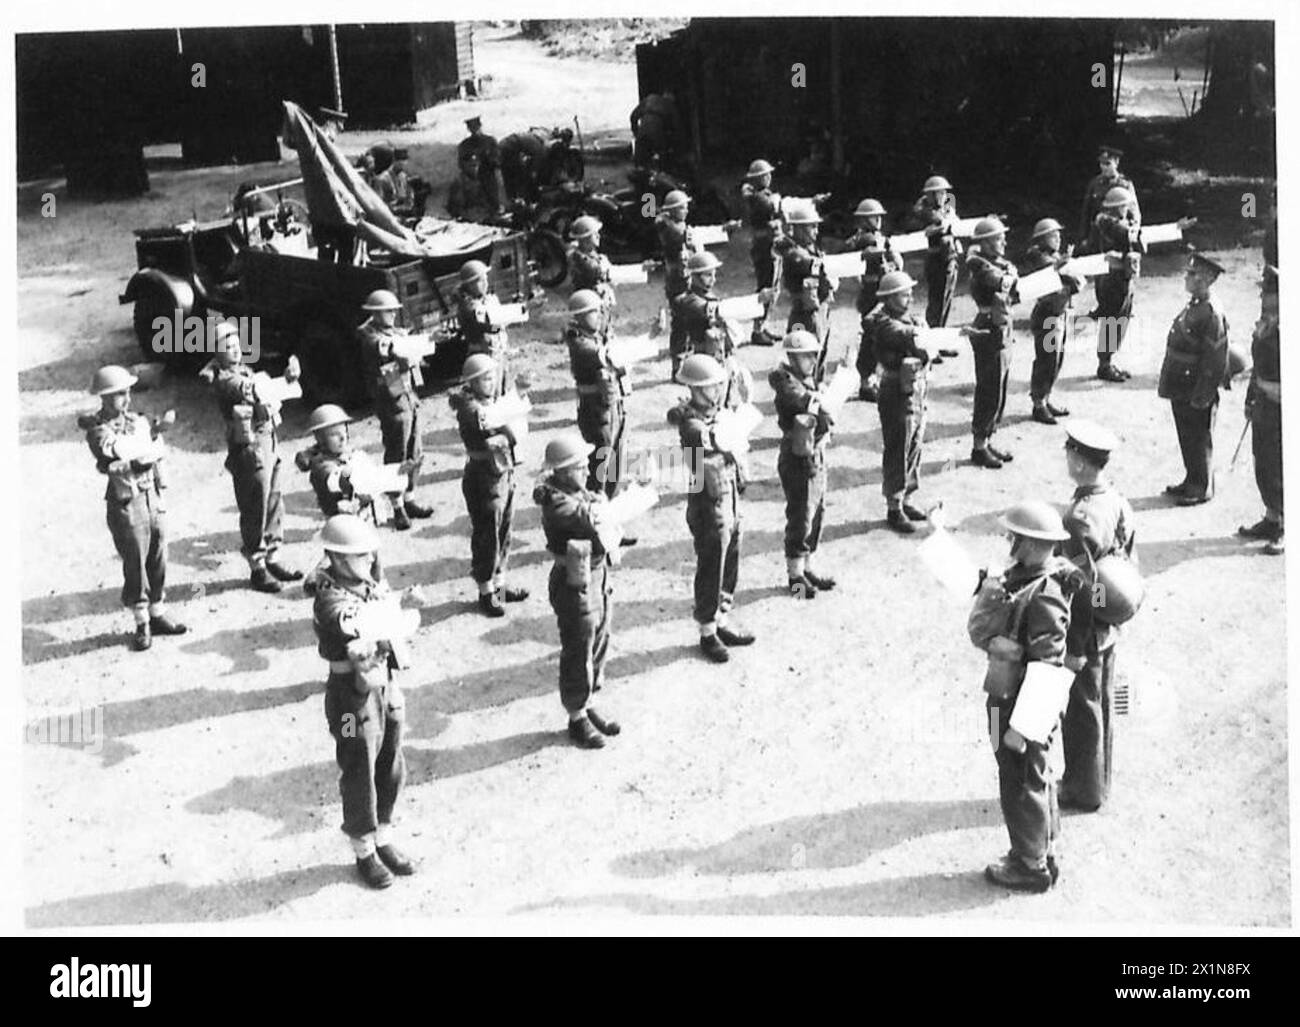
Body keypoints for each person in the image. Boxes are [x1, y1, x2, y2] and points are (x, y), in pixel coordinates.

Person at [976, 501, 1079, 892]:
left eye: (1015, 537)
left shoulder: (1046, 595)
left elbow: (1048, 668)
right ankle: (1039, 851)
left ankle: (1029, 865)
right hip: (1007, 695)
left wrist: (1021, 728)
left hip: (1020, 705)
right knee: (1028, 776)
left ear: (1034, 543)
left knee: (1021, 779)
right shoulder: (1029, 575)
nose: (1010, 542)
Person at [312, 514, 414, 890]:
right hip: (348, 701)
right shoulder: (329, 597)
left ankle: (383, 834)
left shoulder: (365, 582)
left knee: (390, 759)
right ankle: (363, 849)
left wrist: (398, 600)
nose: (370, 561)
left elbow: (378, 604)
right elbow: (348, 620)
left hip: (383, 686)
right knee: (358, 767)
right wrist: (392, 608)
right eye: (361, 556)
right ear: (338, 559)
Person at [1059, 420, 1136, 813]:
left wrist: (1074, 646)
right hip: (1109, 625)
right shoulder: (1116, 499)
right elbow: (1126, 561)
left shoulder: (1080, 518)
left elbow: (1084, 588)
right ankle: (1098, 783)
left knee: (1082, 712)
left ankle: (1084, 790)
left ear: (1081, 461)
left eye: (1070, 451)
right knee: (1102, 706)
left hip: (1087, 630)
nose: (1066, 456)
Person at [82, 365, 187, 651]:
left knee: (158, 553)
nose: (126, 400)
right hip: (126, 499)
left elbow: (153, 450)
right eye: (119, 395)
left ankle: (157, 612)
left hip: (149, 493)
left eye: (127, 393)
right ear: (103, 398)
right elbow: (115, 453)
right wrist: (143, 449)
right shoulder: (98, 430)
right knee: (135, 560)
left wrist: (155, 435)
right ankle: (141, 621)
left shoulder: (135, 421)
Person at [533, 435, 623, 750]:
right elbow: (589, 519)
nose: (587, 471)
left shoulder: (575, 491)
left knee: (601, 633)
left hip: (596, 574)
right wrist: (607, 507)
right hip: (574, 581)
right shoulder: (556, 502)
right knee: (579, 644)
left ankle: (588, 699)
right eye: (579, 467)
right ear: (561, 471)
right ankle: (576, 716)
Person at [668, 354, 756, 663]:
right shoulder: (692, 424)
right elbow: (714, 440)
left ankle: (722, 618)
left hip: (727, 495)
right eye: (710, 387)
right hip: (707, 503)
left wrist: (741, 403)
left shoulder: (714, 414)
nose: (716, 392)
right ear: (693, 389)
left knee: (731, 555)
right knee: (712, 564)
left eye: (718, 386)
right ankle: (707, 630)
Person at [207, 322, 302, 592]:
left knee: (274, 497)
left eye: (237, 345)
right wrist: (280, 382)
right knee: (255, 503)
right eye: (228, 347)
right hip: (249, 445)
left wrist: (286, 378)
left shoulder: (243, 370)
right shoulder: (225, 378)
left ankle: (273, 555)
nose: (235, 350)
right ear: (216, 352)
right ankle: (257, 566)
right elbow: (254, 390)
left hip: (266, 436)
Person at [450, 353, 529, 617]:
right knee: (487, 537)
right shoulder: (470, 409)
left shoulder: (489, 403)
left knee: (505, 529)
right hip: (483, 477)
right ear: (471, 383)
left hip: (501, 472)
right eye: (484, 378)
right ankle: (485, 591)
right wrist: (515, 401)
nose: (491, 382)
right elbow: (494, 419)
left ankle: (500, 584)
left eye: (493, 377)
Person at [355, 289, 433, 529]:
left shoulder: (393, 331)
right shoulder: (369, 336)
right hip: (391, 400)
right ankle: (397, 505)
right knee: (396, 451)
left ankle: (409, 497)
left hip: (407, 395)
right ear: (376, 313)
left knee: (414, 449)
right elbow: (387, 349)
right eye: (388, 311)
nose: (392, 315)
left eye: (393, 311)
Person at [1157, 252, 1230, 506]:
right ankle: (1192, 478)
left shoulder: (1212, 311)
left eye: (1192, 274)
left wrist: (1205, 391)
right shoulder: (1196, 303)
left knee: (1199, 436)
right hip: (1181, 381)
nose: (1186, 277)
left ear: (1207, 278)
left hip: (1195, 383)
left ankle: (1202, 487)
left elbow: (1216, 358)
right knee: (1186, 434)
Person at [864, 270, 933, 533]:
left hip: (915, 387)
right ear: (890, 298)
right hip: (895, 389)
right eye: (905, 294)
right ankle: (894, 506)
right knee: (898, 446)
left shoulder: (906, 318)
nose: (910, 298)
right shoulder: (883, 322)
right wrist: (921, 331)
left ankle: (907, 497)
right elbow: (902, 334)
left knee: (915, 442)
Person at [769, 329, 837, 597]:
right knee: (800, 516)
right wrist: (819, 399)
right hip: (798, 455)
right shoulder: (788, 383)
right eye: (806, 356)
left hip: (815, 451)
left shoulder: (802, 379)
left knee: (816, 512)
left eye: (812, 356)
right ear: (793, 358)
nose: (812, 361)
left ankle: (807, 566)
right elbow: (800, 401)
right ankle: (795, 578)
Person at [566, 290, 631, 514]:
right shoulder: (579, 342)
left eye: (598, 311)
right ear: (579, 316)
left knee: (615, 459)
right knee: (600, 464)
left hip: (611, 403)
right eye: (593, 312)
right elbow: (607, 356)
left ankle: (610, 511)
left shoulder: (595, 334)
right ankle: (595, 519)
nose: (599, 315)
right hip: (595, 409)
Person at [965, 217, 1019, 469]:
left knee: (999, 387)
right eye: (998, 238)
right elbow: (1001, 281)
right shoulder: (980, 266)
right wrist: (1010, 275)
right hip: (989, 328)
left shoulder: (994, 264)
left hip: (1002, 326)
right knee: (989, 388)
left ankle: (987, 439)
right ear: (985, 243)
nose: (1004, 242)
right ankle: (978, 446)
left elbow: (1013, 290)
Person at [1022, 218, 1086, 424]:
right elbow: (1066, 277)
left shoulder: (1055, 257)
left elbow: (1073, 279)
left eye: (1058, 234)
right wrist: (1068, 271)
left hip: (1060, 313)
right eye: (1053, 235)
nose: (1058, 238)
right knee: (1047, 360)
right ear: (1041, 239)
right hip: (1048, 316)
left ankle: (1045, 397)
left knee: (1056, 359)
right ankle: (1038, 403)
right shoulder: (1038, 257)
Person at [1239, 265, 1283, 553]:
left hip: (1281, 405)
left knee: (1283, 465)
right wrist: (1250, 397)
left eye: (1269, 294)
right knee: (1263, 461)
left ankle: (1286, 527)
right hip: (1263, 403)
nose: (1263, 298)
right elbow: (1257, 368)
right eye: (1263, 292)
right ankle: (1271, 516)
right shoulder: (1265, 324)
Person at [845, 197, 905, 399]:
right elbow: (855, 258)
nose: (878, 220)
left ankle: (874, 377)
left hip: (885, 289)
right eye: (873, 217)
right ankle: (865, 381)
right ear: (863, 219)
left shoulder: (880, 238)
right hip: (871, 293)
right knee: (870, 337)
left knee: (883, 333)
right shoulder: (861, 240)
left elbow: (894, 260)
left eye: (879, 217)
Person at [1084, 186, 1145, 382]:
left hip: (1121, 276)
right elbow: (1126, 234)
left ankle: (1108, 361)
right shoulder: (1106, 221)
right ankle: (1104, 364)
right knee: (1112, 319)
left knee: (1121, 319)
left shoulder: (1117, 222)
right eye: (1124, 205)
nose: (1127, 208)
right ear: (1117, 207)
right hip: (1111, 277)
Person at [774, 198, 835, 376]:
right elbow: (810, 263)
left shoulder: (811, 248)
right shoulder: (794, 252)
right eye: (811, 227)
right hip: (804, 311)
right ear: (798, 228)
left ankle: (817, 383)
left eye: (816, 226)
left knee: (820, 348)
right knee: (801, 349)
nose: (816, 231)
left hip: (820, 307)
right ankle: (802, 388)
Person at [294, 403, 384, 523]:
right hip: (338, 515)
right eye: (334, 434)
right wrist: (352, 473)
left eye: (344, 431)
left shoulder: (348, 453)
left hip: (358, 510)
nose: (343, 437)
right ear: (321, 439)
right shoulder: (320, 464)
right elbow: (337, 478)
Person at [740, 158, 784, 346]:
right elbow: (772, 207)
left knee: (773, 286)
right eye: (764, 175)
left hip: (770, 244)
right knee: (766, 287)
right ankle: (757, 329)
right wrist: (777, 201)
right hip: (764, 246)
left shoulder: (762, 194)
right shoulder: (756, 196)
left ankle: (763, 325)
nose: (768, 178)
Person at [654, 189, 698, 376]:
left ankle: (685, 356)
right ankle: (677, 365)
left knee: (688, 319)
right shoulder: (671, 228)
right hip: (677, 281)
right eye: (682, 207)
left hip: (685, 277)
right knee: (680, 321)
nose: (686, 210)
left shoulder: (676, 224)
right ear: (672, 210)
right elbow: (680, 235)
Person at [455, 259, 512, 395]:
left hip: (498, 351)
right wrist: (499, 326)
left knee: (502, 387)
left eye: (485, 278)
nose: (486, 283)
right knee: (488, 391)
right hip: (484, 355)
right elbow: (486, 327)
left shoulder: (486, 299)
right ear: (469, 285)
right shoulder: (468, 307)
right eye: (480, 280)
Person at [911, 175, 961, 328]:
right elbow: (934, 218)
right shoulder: (924, 211)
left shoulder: (946, 208)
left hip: (950, 257)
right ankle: (934, 335)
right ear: (931, 195)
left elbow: (954, 221)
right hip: (937, 258)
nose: (944, 195)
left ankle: (940, 334)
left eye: (945, 192)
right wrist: (946, 220)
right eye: (940, 192)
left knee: (946, 298)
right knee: (937, 300)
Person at [1078, 144, 1141, 243]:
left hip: (1119, 232)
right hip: (1098, 235)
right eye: (1102, 164)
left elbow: (1134, 210)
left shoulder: (1125, 184)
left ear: (1116, 163)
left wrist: (1134, 230)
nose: (1104, 167)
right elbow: (1086, 212)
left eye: (1108, 164)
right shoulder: (1095, 184)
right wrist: (1084, 237)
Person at [567, 215, 616, 337]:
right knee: (596, 328)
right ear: (585, 240)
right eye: (595, 234)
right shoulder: (579, 257)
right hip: (589, 302)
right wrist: (604, 263)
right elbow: (597, 271)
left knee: (605, 324)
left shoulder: (590, 253)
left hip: (598, 298)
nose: (598, 236)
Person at [457, 116, 503, 213]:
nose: (474, 131)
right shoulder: (465, 145)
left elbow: (497, 160)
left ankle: (495, 208)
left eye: (476, 127)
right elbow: (461, 163)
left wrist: (487, 159)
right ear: (468, 129)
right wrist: (470, 169)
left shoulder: (490, 141)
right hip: (470, 177)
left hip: (487, 174)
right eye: (471, 128)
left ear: (480, 126)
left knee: (491, 192)